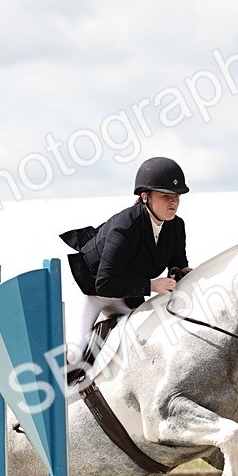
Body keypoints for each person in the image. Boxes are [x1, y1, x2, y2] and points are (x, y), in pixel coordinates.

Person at [59, 156, 193, 365]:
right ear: (145, 196)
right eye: (165, 195)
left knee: (144, 345)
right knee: (75, 353)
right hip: (93, 292)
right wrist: (151, 285)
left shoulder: (176, 226)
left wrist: (181, 271)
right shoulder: (126, 227)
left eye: (176, 195)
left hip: (128, 295)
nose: (173, 201)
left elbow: (176, 261)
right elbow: (104, 284)